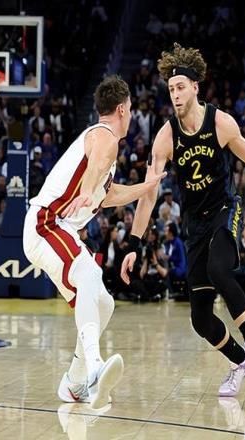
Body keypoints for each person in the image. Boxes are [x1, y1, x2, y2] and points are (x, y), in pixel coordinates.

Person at [121, 44, 245, 397]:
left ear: (195, 87)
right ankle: (240, 361)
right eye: (171, 88)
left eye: (181, 87)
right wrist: (133, 244)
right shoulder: (166, 137)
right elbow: (149, 194)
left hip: (224, 211)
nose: (175, 94)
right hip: (195, 225)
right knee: (200, 319)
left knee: (219, 270)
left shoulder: (220, 122)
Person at [23, 75, 166, 409]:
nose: (131, 114)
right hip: (47, 223)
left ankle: (74, 384)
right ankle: (95, 367)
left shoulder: (104, 149)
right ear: (121, 109)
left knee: (104, 304)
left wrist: (145, 188)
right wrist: (87, 189)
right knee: (88, 273)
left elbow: (110, 194)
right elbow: (96, 164)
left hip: (57, 231)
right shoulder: (104, 136)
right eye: (130, 108)